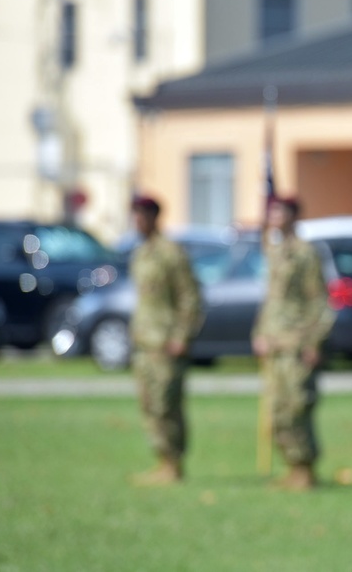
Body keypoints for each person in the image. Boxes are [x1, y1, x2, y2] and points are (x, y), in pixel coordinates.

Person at [251, 196, 334, 491]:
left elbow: (320, 301)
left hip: (297, 342)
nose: (274, 216)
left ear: (294, 215)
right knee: (277, 409)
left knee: (297, 405)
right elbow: (272, 299)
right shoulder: (275, 251)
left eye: (280, 211)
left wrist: (313, 342)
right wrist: (260, 333)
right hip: (275, 342)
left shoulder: (305, 253)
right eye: (271, 211)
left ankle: (305, 467)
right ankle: (291, 465)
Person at [128, 195, 202, 486]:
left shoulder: (171, 253)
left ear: (154, 217)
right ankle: (161, 460)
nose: (136, 221)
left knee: (166, 404)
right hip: (145, 342)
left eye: (141, 215)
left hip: (166, 342)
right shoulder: (141, 253)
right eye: (133, 215)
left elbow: (190, 297)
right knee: (148, 405)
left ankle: (173, 462)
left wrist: (181, 336)